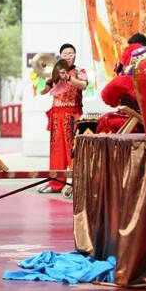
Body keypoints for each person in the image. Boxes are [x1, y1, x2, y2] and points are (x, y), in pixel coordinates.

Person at [39, 43, 87, 193]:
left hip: (72, 114)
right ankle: (56, 184)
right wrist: (42, 81)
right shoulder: (54, 73)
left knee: (73, 150)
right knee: (56, 150)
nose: (68, 56)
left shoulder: (79, 71)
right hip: (57, 115)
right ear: (61, 56)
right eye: (65, 54)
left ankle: (76, 184)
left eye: (71, 53)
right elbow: (44, 91)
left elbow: (83, 85)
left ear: (75, 55)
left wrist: (68, 78)